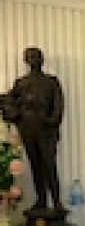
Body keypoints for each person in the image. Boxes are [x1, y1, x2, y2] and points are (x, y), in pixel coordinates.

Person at [0, 47, 65, 213]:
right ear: (26, 61)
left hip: (46, 130)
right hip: (28, 129)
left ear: (42, 59)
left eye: (36, 57)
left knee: (49, 165)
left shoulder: (51, 82)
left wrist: (51, 121)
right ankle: (41, 200)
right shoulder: (21, 83)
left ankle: (57, 201)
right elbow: (9, 100)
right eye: (30, 57)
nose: (34, 60)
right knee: (35, 165)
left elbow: (58, 105)